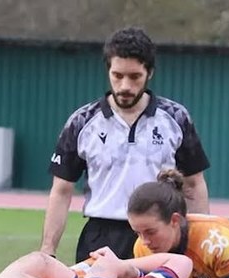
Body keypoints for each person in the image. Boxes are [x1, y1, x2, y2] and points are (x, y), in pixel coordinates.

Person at [39, 27, 210, 264]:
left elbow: (193, 184)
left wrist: (202, 240)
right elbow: (61, 190)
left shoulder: (176, 118)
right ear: (108, 71)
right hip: (101, 237)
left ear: (149, 73)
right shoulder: (82, 122)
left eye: (134, 76)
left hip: (159, 236)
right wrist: (48, 249)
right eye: (117, 75)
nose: (125, 86)